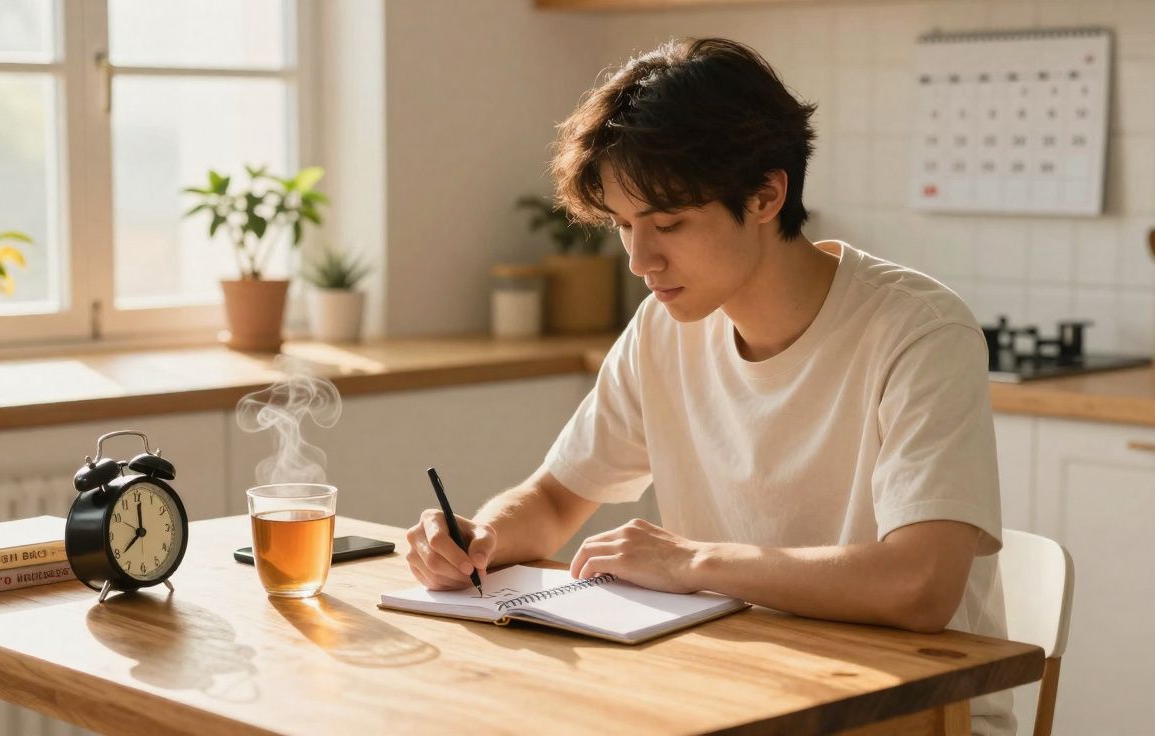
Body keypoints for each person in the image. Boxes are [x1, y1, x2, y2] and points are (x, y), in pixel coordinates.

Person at [405, 37, 1013, 736]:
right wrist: (477, 537)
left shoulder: (919, 331)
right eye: (625, 227)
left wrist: (691, 561)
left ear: (766, 194)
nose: (639, 260)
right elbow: (552, 497)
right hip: (734, 693)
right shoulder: (663, 329)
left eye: (667, 224)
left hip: (907, 710)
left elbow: (920, 585)